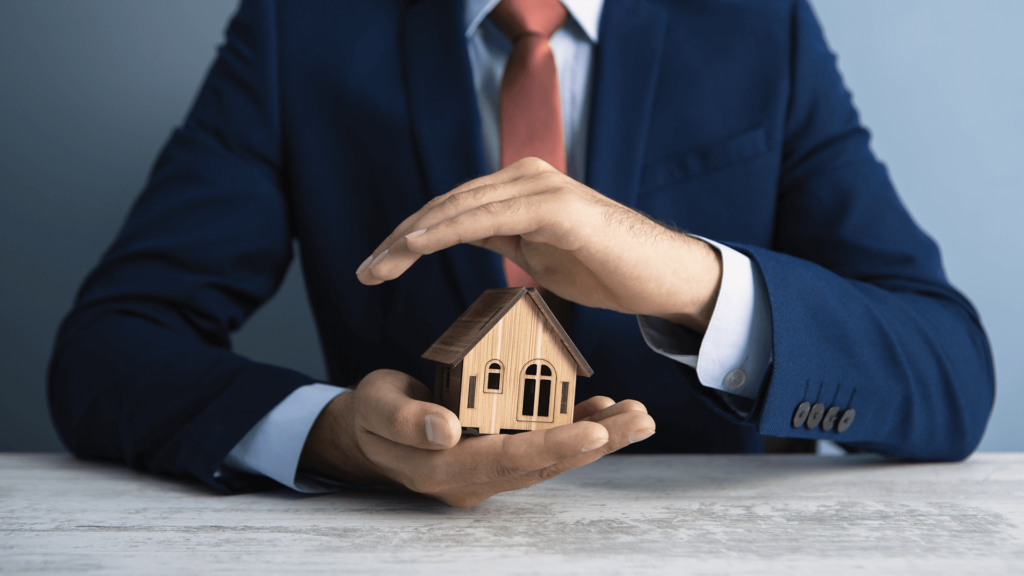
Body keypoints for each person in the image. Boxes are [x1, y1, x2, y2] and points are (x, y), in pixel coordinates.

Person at [48, 0, 994, 508]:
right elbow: (109, 348)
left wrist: (686, 278)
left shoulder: (759, 26)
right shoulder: (303, 29)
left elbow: (952, 376)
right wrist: (340, 439)